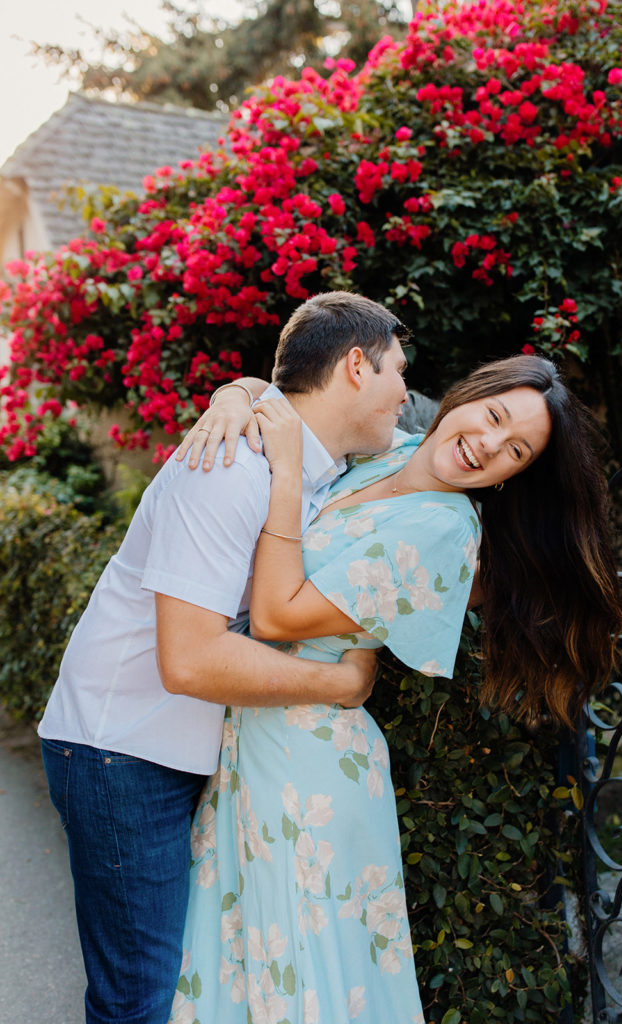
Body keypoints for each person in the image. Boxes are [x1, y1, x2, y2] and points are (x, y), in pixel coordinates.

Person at [169, 354, 622, 1023]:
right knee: (243, 968)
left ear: (513, 477)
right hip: (257, 740)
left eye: (516, 451)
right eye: (494, 417)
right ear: (469, 395)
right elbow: (296, 387)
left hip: (312, 768)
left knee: (305, 982)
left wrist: (289, 472)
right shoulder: (393, 449)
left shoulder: (444, 528)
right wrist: (235, 393)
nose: (488, 445)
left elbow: (275, 614)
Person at [38, 291, 415, 1024]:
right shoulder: (227, 465)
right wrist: (340, 683)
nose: (408, 394)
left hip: (186, 748)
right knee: (139, 999)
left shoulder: (317, 469)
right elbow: (189, 661)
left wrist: (240, 387)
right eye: (402, 371)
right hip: (121, 750)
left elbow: (442, 450)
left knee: (183, 989)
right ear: (357, 366)